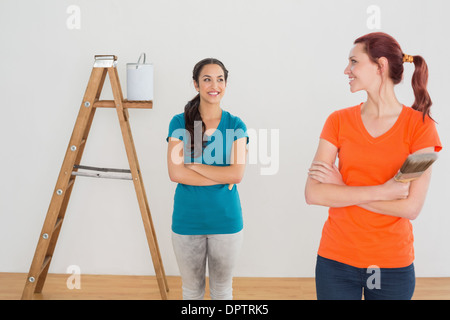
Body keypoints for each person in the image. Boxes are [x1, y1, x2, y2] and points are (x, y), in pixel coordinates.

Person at [305, 32, 442, 300]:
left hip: (391, 265)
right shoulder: (338, 121)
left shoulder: (421, 127)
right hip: (335, 260)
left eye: (354, 62)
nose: (347, 70)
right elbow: (314, 194)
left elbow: (410, 207)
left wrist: (343, 188)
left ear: (380, 66)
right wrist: (383, 190)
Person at [166, 58, 248, 300]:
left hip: (226, 222)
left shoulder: (236, 125)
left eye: (220, 79)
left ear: (225, 84)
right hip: (187, 221)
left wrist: (196, 166)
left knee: (222, 290)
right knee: (192, 291)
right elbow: (175, 173)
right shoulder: (179, 123)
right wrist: (223, 176)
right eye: (207, 79)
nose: (215, 85)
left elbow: (237, 174)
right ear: (196, 84)